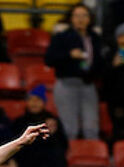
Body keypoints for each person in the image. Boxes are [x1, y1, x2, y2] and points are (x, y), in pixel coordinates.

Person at [45, 3, 105, 140]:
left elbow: (100, 63)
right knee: (69, 128)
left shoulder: (95, 38)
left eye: (84, 15)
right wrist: (69, 55)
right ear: (71, 18)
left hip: (88, 84)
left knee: (91, 127)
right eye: (77, 16)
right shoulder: (62, 37)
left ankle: (92, 157)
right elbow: (49, 60)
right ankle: (68, 159)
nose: (80, 19)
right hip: (67, 84)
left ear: (90, 19)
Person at [12, 85, 69, 167]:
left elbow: (64, 145)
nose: (34, 103)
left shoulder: (52, 120)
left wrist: (53, 134)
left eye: (38, 100)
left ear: (44, 102)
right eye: (31, 100)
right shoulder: (19, 122)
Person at [104, 23, 124, 141]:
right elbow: (104, 81)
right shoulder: (110, 55)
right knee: (119, 130)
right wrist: (113, 66)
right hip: (117, 102)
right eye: (121, 37)